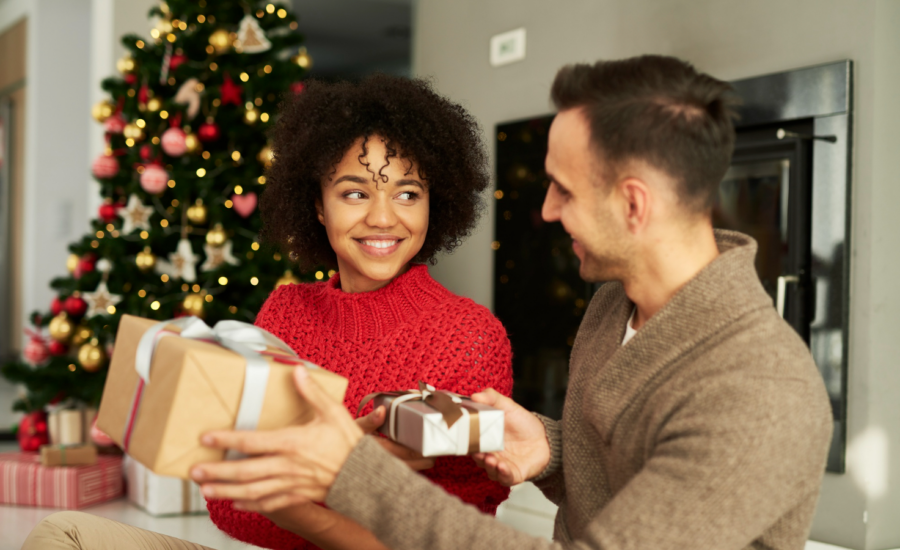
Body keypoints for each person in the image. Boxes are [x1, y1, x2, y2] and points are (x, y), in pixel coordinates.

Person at [187, 55, 834, 550]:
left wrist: (341, 473)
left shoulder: (760, 393)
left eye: (562, 190)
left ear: (633, 203)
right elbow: (624, 468)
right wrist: (552, 449)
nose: (547, 211)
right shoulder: (615, 308)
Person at [22, 75, 513, 550]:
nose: (383, 217)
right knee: (63, 534)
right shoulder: (287, 312)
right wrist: (332, 480)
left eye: (408, 193)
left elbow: (452, 541)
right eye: (355, 192)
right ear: (318, 206)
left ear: (435, 203)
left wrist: (310, 481)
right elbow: (229, 509)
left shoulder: (470, 337)